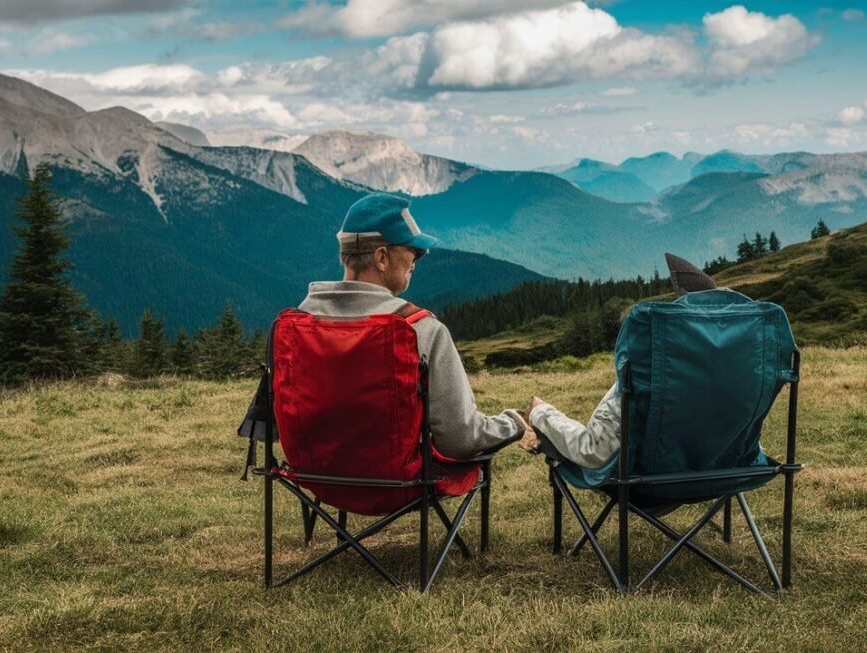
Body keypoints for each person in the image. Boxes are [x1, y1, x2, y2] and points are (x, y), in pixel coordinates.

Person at [299, 192, 528, 459]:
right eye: (413, 251)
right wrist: (515, 422)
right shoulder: (420, 330)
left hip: (316, 476)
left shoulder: (301, 323)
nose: (416, 261)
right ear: (381, 258)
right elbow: (461, 439)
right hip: (398, 485)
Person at [519, 253, 718, 466]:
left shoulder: (651, 369)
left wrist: (541, 413)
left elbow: (593, 451)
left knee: (539, 409)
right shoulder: (734, 370)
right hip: (724, 471)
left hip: (646, 482)